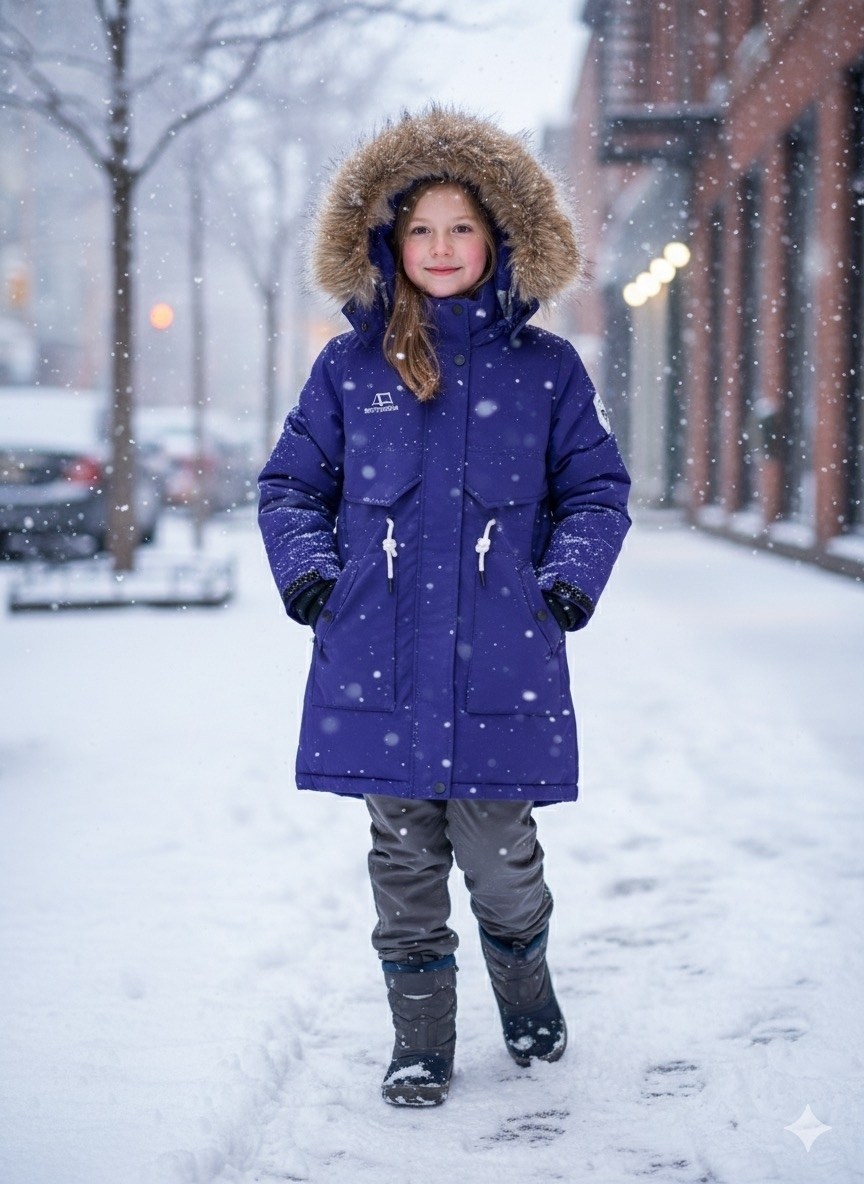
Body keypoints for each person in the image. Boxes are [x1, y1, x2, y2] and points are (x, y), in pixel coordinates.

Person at [258, 107, 631, 1107]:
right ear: (388, 240)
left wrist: (565, 579)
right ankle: (420, 1039)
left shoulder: (547, 370)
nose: (440, 247)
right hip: (375, 661)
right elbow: (290, 483)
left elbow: (597, 489)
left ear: (499, 238)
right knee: (403, 864)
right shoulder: (349, 368)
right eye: (420, 229)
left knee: (500, 861)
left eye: (460, 228)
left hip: (503, 660)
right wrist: (313, 578)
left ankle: (527, 991)